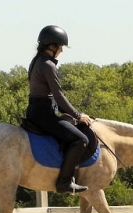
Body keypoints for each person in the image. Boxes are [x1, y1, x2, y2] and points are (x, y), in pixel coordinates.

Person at [26, 25, 92, 194]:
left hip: (35, 111)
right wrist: (78, 115)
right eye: (61, 47)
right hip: (45, 115)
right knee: (81, 140)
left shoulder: (36, 61)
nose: (62, 50)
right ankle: (64, 182)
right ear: (53, 46)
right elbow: (59, 96)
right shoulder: (48, 65)